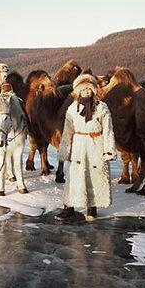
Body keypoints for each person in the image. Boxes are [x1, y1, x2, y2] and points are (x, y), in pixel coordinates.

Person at [55, 74, 116, 222]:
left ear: (94, 91)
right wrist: (65, 149)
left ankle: (92, 207)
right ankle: (69, 207)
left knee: (93, 176)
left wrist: (109, 149)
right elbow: (67, 131)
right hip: (78, 145)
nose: (86, 92)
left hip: (95, 144)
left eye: (89, 90)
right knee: (75, 177)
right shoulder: (72, 109)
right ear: (78, 92)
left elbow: (108, 130)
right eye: (83, 90)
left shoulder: (101, 108)